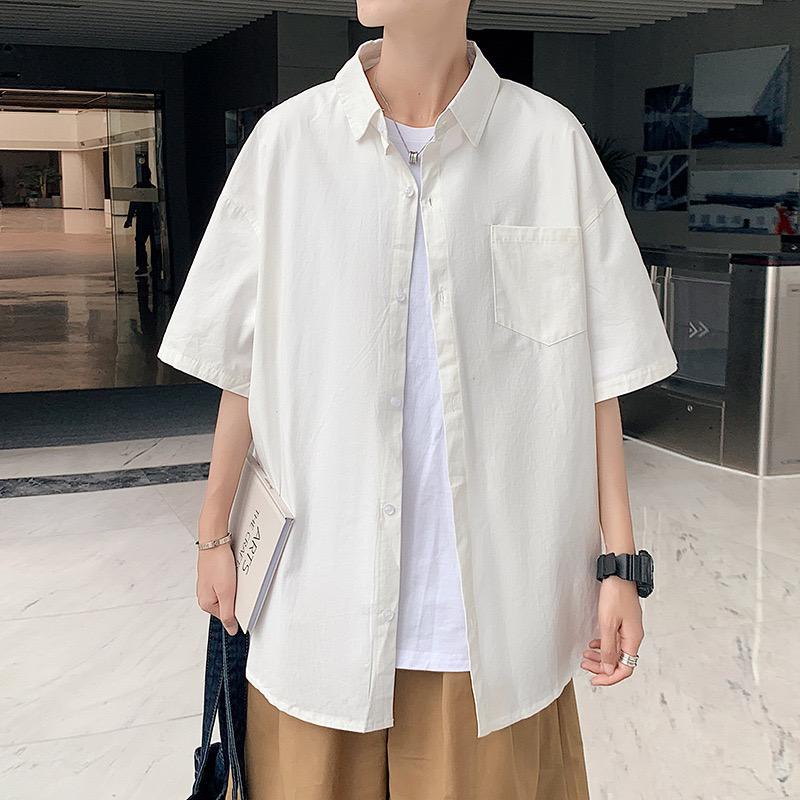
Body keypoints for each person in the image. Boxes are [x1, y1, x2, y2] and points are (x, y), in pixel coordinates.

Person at [158, 1, 678, 797]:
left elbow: (596, 379)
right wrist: (212, 536)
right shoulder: (288, 146)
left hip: (493, 630)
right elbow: (243, 367)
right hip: (317, 610)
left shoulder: (549, 147)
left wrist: (620, 567)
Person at [123, 163, 160, 278]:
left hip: (143, 219)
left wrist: (129, 219)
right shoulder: (152, 189)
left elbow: (133, 205)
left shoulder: (138, 189)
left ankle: (143, 265)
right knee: (152, 243)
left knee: (140, 242)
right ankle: (155, 266)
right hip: (150, 219)